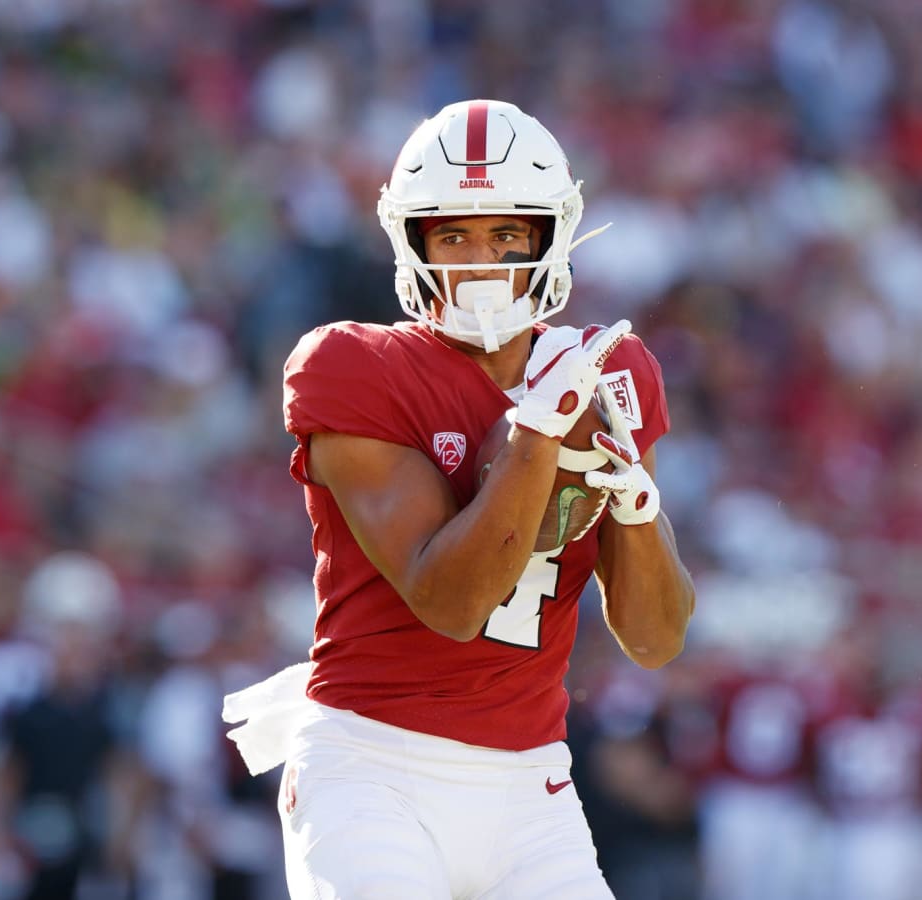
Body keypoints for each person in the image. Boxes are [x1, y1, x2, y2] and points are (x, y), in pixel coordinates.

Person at [223, 98, 695, 899]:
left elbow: (654, 640)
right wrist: (533, 437)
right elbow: (452, 601)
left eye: (507, 234)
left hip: (532, 787)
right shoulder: (353, 365)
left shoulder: (611, 373)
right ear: (414, 242)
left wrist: (637, 511)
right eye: (454, 234)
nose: (481, 260)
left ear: (551, 236)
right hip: (371, 766)